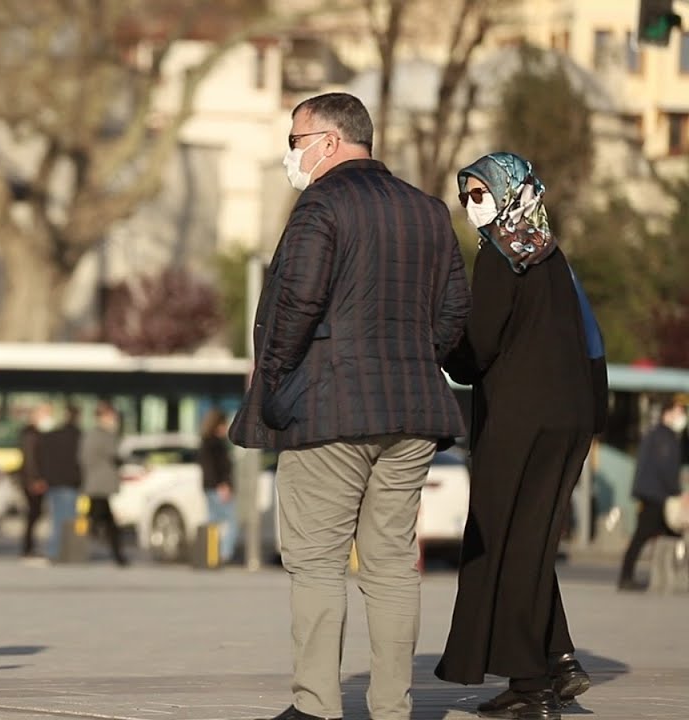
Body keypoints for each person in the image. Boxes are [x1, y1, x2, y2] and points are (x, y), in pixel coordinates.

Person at [229, 92, 471, 720]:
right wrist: (419, 359)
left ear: (330, 142)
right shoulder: (429, 211)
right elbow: (453, 312)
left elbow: (296, 304)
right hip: (415, 410)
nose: (292, 154)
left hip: (331, 409)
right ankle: (392, 708)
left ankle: (317, 707)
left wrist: (277, 380)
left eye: (295, 140)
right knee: (392, 567)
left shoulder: (322, 206)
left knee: (316, 562)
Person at [434, 152, 608, 720]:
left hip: (518, 422)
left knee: (503, 539)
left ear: (512, 192)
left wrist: (444, 350)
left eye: (480, 193)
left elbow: (478, 346)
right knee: (529, 539)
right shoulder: (554, 258)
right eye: (466, 196)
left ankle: (530, 685)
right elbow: (591, 342)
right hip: (568, 419)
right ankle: (556, 660)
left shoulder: (499, 259)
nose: (471, 205)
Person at [617, 394, 688, 591]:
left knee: (668, 535)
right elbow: (665, 468)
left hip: (654, 494)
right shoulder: (664, 438)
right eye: (679, 412)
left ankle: (665, 577)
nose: (682, 416)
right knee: (644, 536)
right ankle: (627, 577)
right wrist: (677, 492)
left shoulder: (659, 435)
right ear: (668, 413)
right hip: (656, 496)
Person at [77, 401, 128, 566]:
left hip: (95, 483)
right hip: (100, 484)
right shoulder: (103, 435)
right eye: (111, 415)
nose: (114, 419)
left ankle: (117, 555)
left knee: (103, 520)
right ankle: (78, 548)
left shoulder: (90, 434)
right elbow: (116, 454)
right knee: (96, 519)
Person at [38, 405, 83, 562]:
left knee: (56, 519)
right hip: (70, 483)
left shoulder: (51, 436)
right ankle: (68, 553)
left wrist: (45, 477)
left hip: (53, 483)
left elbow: (43, 459)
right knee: (69, 520)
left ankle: (54, 551)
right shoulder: (79, 436)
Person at [198, 408, 237, 565]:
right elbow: (217, 468)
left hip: (209, 487)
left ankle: (211, 555)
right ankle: (224, 554)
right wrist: (223, 485)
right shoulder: (216, 444)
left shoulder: (205, 442)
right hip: (219, 487)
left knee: (213, 521)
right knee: (232, 521)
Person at [18, 403, 55, 558]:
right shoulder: (31, 435)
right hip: (32, 481)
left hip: (35, 479)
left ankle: (29, 547)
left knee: (35, 514)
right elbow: (31, 459)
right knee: (33, 514)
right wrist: (35, 479)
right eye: (46, 413)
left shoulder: (38, 433)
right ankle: (28, 547)